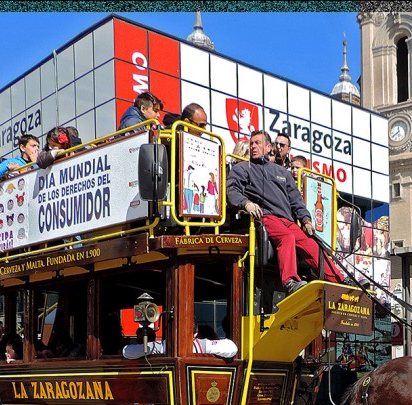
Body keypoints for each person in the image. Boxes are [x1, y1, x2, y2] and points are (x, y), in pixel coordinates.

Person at [226, 130, 345, 294]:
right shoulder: (242, 168)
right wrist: (246, 203)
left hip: (287, 220)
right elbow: (232, 190)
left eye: (257, 143)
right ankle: (290, 281)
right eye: (251, 143)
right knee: (286, 238)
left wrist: (306, 220)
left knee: (312, 245)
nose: (253, 146)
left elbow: (295, 200)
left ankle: (340, 282)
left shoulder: (282, 173)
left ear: (268, 147)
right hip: (266, 216)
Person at [123, 324, 237, 359]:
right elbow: (127, 352)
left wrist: (204, 345)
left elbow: (232, 348)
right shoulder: (163, 346)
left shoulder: (202, 345)